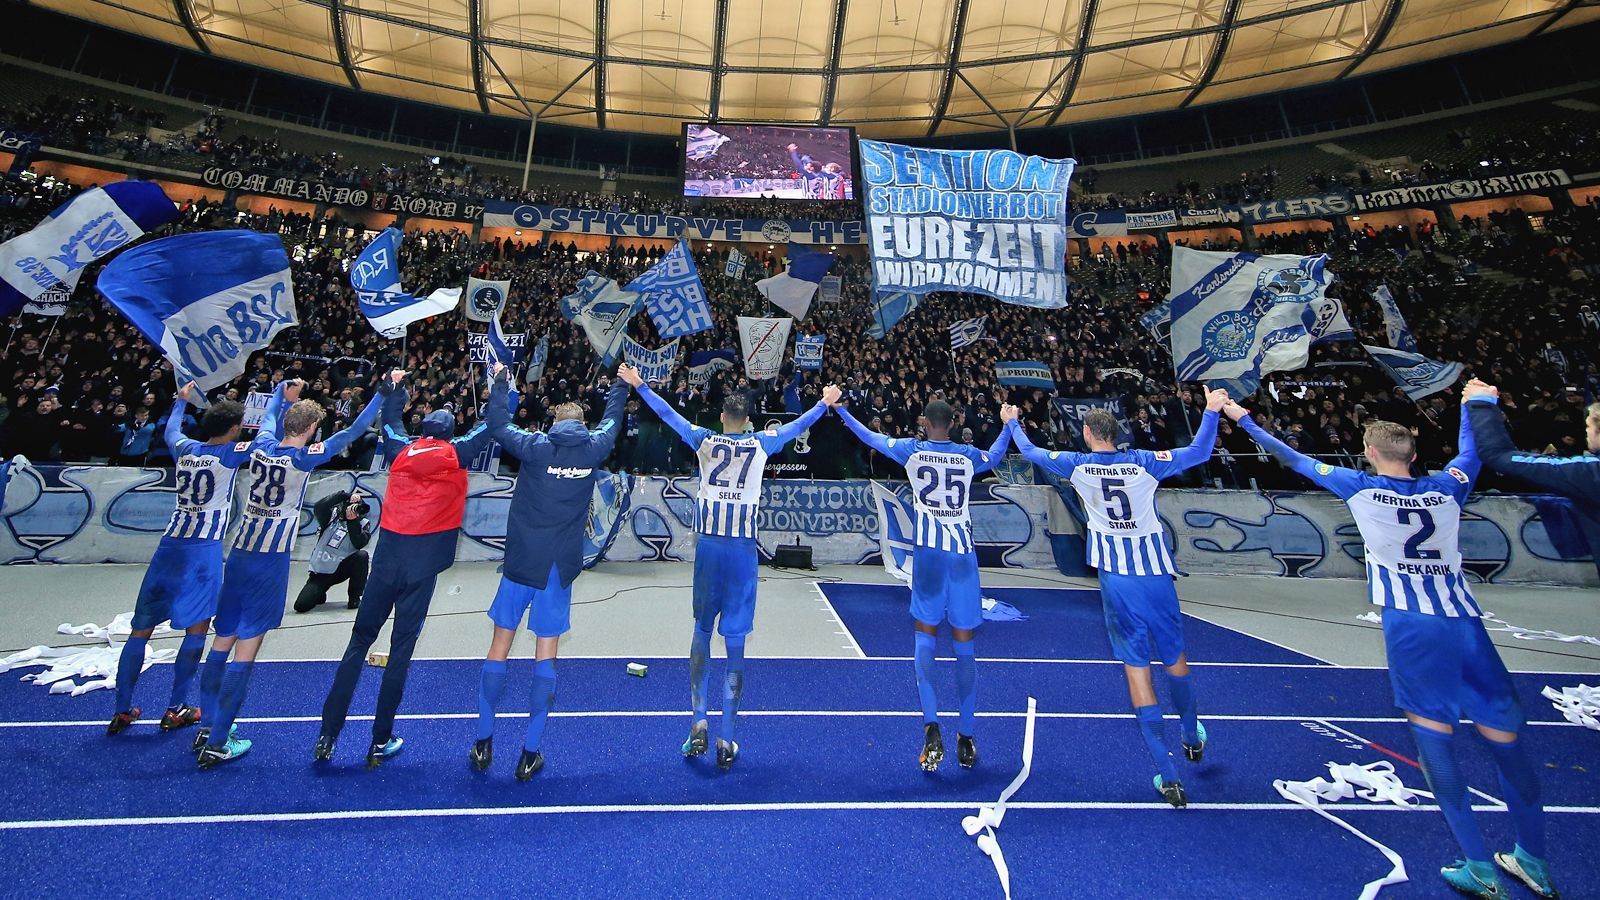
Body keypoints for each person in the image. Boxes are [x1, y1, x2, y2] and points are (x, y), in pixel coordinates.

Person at [1226, 399, 1556, 899]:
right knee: (1505, 741)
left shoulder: (1360, 486)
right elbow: (1472, 451)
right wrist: (1474, 404)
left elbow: (1290, 456)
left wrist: (1242, 419)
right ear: (1413, 452)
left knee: (1436, 746)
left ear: (1369, 452)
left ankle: (1479, 866)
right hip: (1465, 622)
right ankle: (1533, 855)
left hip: (1413, 628)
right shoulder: (1448, 487)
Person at [1001, 389, 1225, 807]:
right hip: (1156, 575)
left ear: (1087, 433)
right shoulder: (1143, 462)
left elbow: (1030, 450)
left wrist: (1012, 421)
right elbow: (1199, 450)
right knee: (1174, 658)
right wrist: (1211, 412)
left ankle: (1169, 774)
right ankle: (1191, 733)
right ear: (1116, 433)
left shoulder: (1078, 465)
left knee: (1137, 670)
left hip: (1117, 581)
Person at [618, 362, 839, 769]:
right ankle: (727, 739)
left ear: (722, 418)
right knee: (735, 642)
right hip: (741, 553)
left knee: (702, 630)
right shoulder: (759, 444)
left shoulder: (704, 440)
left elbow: (670, 415)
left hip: (709, 549)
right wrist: (824, 403)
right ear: (749, 420)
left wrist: (639, 384)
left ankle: (698, 721)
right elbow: (795, 427)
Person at [314, 368, 497, 768]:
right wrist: (500, 384)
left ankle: (327, 736)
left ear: (424, 429)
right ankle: (379, 740)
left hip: (387, 561)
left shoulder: (401, 449)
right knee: (400, 652)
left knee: (358, 644)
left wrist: (394, 386)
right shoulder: (457, 453)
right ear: (450, 433)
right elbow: (494, 424)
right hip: (422, 567)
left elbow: (391, 421)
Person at [195, 379, 382, 769]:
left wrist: (282, 393)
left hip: (241, 551)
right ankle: (217, 741)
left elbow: (266, 418)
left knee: (222, 640)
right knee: (247, 646)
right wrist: (383, 394)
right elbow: (353, 429)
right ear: (313, 429)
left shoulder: (262, 445)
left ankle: (208, 723)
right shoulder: (303, 460)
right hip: (270, 559)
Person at [830, 395, 1011, 771]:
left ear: (925, 423)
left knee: (924, 636)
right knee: (964, 645)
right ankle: (966, 736)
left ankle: (931, 727)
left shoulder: (913, 451)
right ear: (953, 422)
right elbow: (995, 456)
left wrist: (842, 409)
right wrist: (1009, 424)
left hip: (928, 556)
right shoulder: (966, 454)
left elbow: (871, 438)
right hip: (962, 558)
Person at [474, 365, 626, 780]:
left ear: (553, 423)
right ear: (582, 424)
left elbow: (497, 422)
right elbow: (613, 420)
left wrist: (502, 382)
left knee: (499, 649)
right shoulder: (594, 449)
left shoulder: (536, 448)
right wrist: (619, 385)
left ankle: (484, 743)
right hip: (558, 570)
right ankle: (529, 752)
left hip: (522, 563)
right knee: (546, 659)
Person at [107, 383, 247, 737]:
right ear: (233, 430)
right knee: (197, 629)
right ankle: (176, 707)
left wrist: (181, 401)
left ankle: (122, 710)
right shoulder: (230, 454)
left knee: (141, 629)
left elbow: (171, 429)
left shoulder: (185, 449)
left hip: (169, 546)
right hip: (203, 551)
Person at [1463, 378, 1599, 579]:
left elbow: (1499, 455)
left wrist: (1482, 403)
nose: (1586, 432)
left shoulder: (1588, 471)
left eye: (1588, 426)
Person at [291, 490, 373, 613]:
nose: (353, 509)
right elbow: (319, 507)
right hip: (321, 572)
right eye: (350, 506)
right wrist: (344, 495)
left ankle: (355, 597)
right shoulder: (330, 518)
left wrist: (352, 522)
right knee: (301, 606)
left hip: (342, 568)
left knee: (362, 556)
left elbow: (359, 543)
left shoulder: (362, 523)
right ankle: (320, 592)